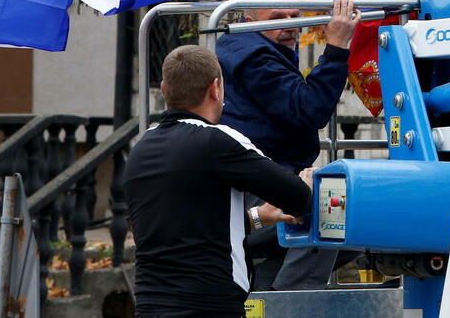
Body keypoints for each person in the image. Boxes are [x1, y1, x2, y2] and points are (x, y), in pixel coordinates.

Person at [124, 45, 313, 317]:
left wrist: (258, 217)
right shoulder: (219, 140)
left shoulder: (141, 149)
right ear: (215, 89)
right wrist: (306, 183)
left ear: (164, 90)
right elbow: (297, 198)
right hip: (210, 305)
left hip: (149, 306)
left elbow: (188, 227)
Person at [216, 0, 359, 290]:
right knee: (330, 213)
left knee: (363, 221)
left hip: (265, 180)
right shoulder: (254, 58)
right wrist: (336, 47)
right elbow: (308, 110)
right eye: (277, 18)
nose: (289, 26)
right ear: (250, 21)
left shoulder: (259, 50)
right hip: (251, 193)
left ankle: (263, 290)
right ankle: (292, 303)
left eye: (294, 16)